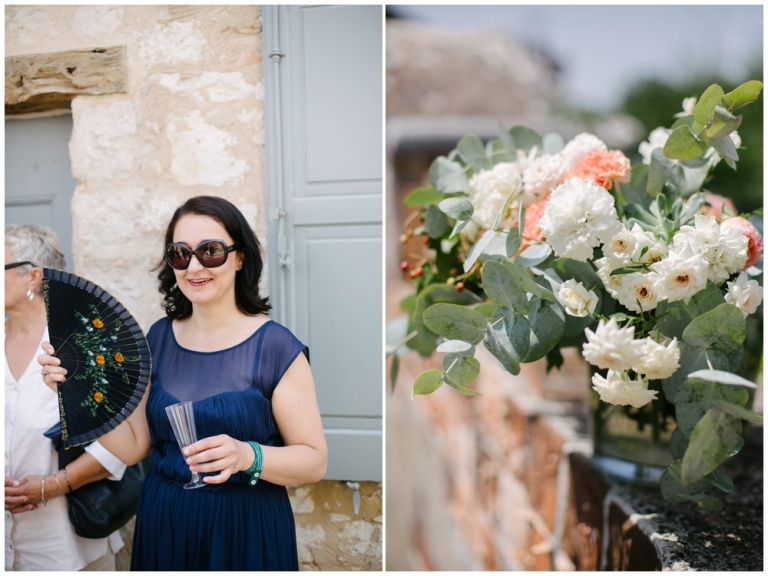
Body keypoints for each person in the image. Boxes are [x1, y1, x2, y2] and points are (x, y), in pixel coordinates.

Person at [40, 195, 328, 570]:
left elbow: (314, 461)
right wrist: (73, 391)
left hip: (245, 527)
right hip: (166, 521)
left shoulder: (276, 347)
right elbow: (133, 448)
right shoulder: (157, 339)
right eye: (180, 253)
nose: (194, 266)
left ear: (240, 258)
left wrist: (248, 456)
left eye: (210, 251)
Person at [5, 224, 127, 571]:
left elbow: (121, 446)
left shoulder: (84, 346)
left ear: (33, 277)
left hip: (67, 545)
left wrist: (50, 486)